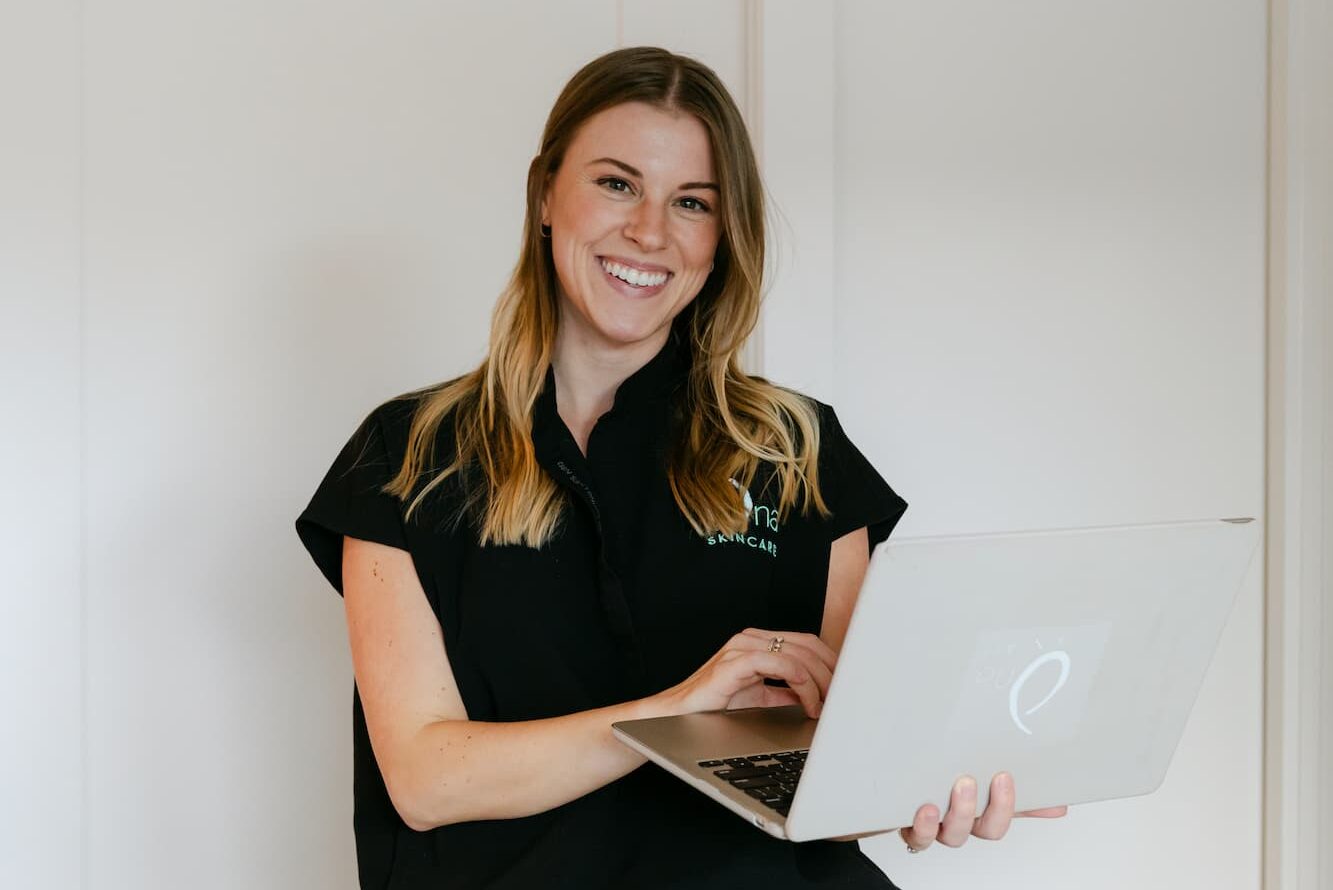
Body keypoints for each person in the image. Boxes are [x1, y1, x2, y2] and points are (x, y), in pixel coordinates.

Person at [296, 46, 1064, 890]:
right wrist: (674, 712)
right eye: (617, 183)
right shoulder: (406, 455)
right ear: (545, 193)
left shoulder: (798, 452)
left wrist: (929, 798)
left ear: (720, 235)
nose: (650, 232)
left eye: (691, 202)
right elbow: (425, 780)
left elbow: (850, 756)